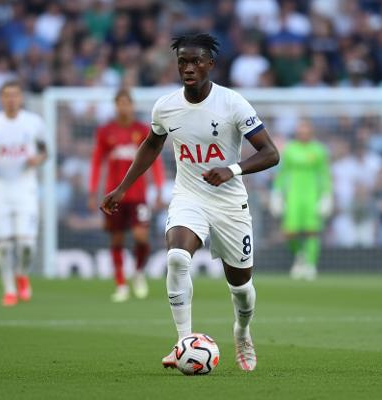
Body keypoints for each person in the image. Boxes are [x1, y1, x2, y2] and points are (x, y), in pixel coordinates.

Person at [100, 33, 279, 372]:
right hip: (189, 196)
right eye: (183, 61)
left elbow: (271, 153)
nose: (189, 68)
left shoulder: (233, 103)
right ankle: (183, 342)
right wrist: (122, 188)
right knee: (177, 258)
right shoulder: (166, 106)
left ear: (210, 64)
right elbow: (152, 145)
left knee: (241, 288)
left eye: (196, 61)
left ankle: (242, 332)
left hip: (229, 203)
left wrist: (232, 170)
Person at [0, 81, 47, 307]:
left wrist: (37, 159)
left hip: (25, 186)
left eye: (15, 95)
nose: (11, 99)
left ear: (21, 98)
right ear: (1, 99)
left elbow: (45, 151)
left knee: (27, 244)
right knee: (3, 245)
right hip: (0, 187)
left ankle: (21, 274)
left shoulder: (34, 122)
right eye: (6, 95)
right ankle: (9, 290)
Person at [88, 89, 165, 302]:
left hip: (139, 195)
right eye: (120, 103)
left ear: (132, 106)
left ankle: (138, 273)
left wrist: (159, 188)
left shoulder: (143, 130)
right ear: (115, 106)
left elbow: (155, 160)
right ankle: (121, 284)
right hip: (114, 196)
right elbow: (96, 162)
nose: (123, 107)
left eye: (127, 103)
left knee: (141, 237)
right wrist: (93, 192)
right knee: (117, 238)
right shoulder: (105, 132)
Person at [270, 119, 332, 280]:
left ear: (311, 133)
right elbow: (283, 173)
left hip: (312, 196)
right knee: (290, 232)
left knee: (312, 232)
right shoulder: (290, 149)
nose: (303, 134)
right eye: (300, 132)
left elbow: (324, 174)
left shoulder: (319, 150)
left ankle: (311, 264)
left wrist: (326, 195)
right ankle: (300, 256)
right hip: (293, 196)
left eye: (306, 132)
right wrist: (277, 192)